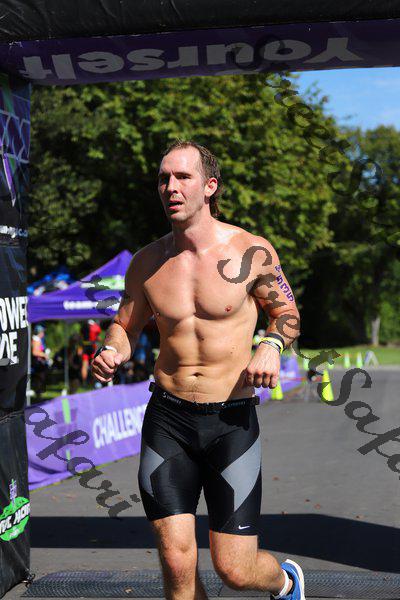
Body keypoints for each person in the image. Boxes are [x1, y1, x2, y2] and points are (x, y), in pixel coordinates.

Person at [92, 141, 303, 600]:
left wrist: (270, 345)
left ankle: (286, 582)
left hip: (231, 421)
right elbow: (124, 326)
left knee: (236, 570)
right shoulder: (147, 262)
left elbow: (287, 314)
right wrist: (112, 349)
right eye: (163, 178)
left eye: (182, 177)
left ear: (209, 186)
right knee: (176, 560)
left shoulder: (249, 251)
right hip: (168, 419)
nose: (170, 186)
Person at [31, 324, 49, 401]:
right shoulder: (36, 340)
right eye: (42, 332)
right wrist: (44, 355)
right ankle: (38, 396)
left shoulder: (36, 339)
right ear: (39, 332)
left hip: (38, 363)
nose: (43, 333)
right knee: (39, 379)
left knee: (39, 379)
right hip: (38, 364)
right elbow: (35, 352)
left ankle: (39, 395)